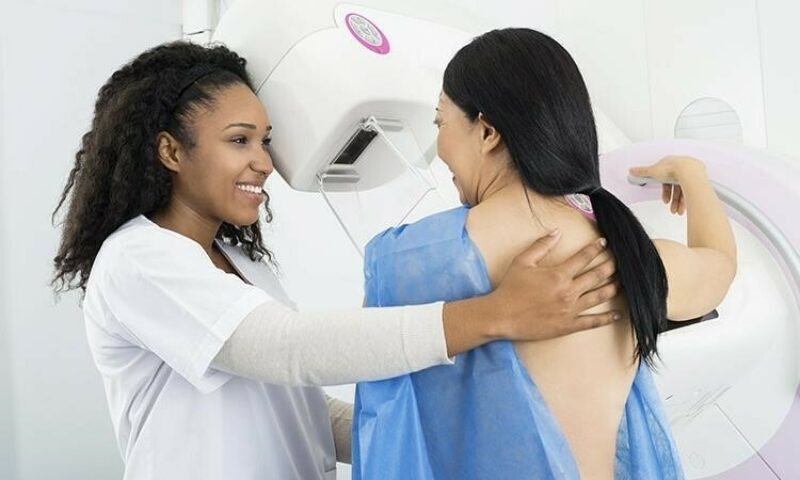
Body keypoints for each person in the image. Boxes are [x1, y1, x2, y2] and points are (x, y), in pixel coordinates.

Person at [50, 41, 621, 479]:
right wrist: (497, 313)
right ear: (171, 151)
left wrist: (429, 430)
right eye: (240, 140)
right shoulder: (138, 259)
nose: (265, 163)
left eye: (265, 141)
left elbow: (296, 410)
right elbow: (287, 349)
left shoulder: (237, 262)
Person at [351, 28, 737, 479]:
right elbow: (720, 268)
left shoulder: (410, 261)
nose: (439, 151)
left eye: (441, 123)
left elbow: (385, 422)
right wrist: (692, 174)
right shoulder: (624, 253)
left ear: (488, 131)